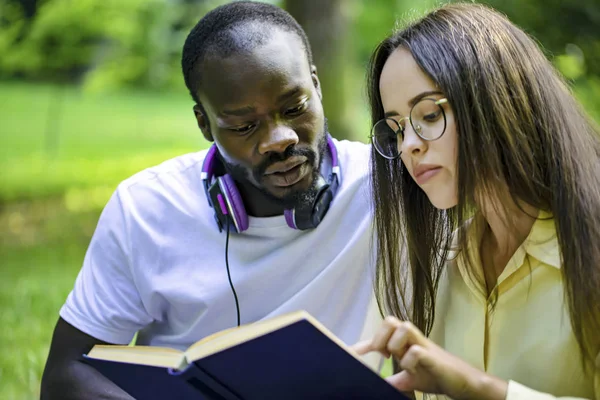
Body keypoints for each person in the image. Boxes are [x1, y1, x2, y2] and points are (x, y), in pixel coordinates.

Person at [40, 2, 382, 399]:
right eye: (244, 125)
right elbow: (66, 373)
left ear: (317, 87)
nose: (279, 139)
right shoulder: (145, 208)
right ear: (204, 123)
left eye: (294, 108)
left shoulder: (386, 186)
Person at [354, 3, 600, 400]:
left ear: (495, 99)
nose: (409, 146)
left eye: (429, 115)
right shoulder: (443, 267)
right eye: (397, 129)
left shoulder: (589, 245)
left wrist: (476, 388)